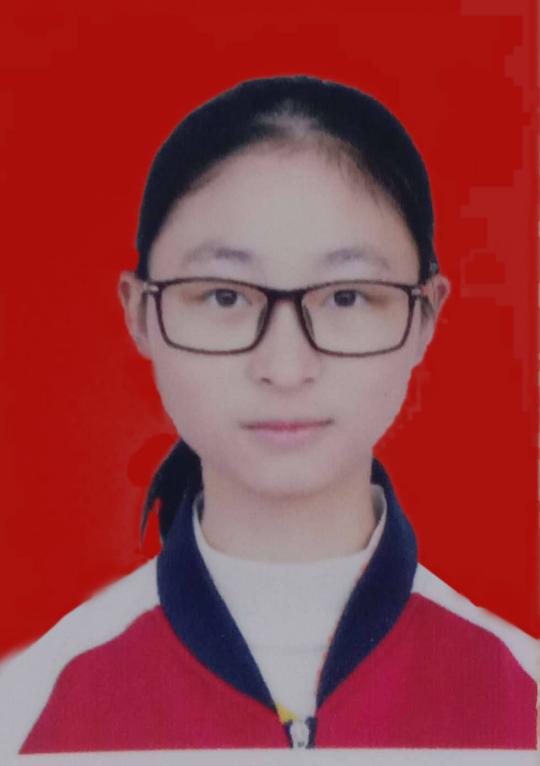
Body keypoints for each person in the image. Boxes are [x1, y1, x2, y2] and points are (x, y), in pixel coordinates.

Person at [0, 74, 536, 756]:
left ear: (426, 316)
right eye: (225, 296)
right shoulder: (27, 711)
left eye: (346, 297)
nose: (285, 368)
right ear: (139, 313)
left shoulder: (522, 700)